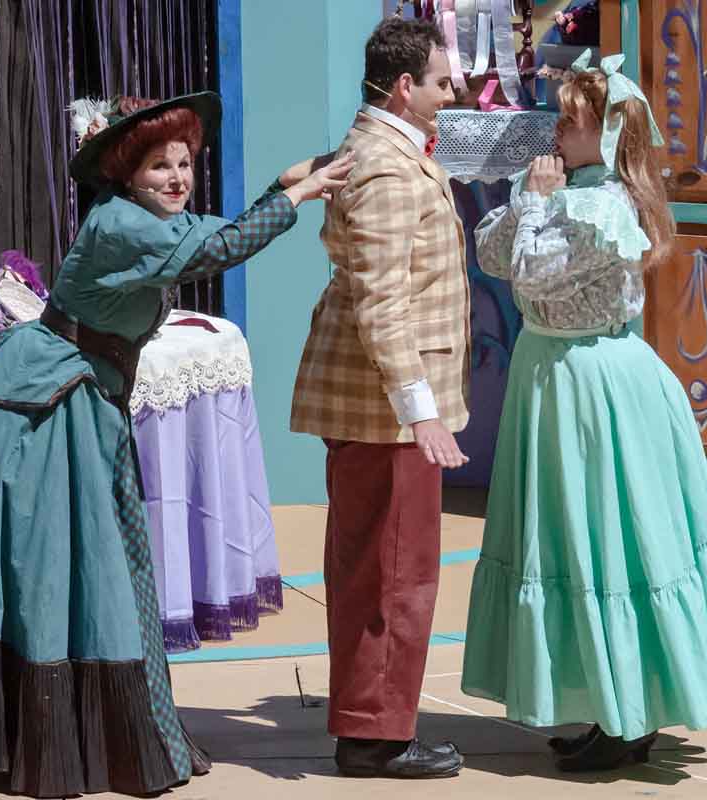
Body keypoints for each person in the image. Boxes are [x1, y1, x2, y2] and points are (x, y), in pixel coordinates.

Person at [0, 90, 353, 798]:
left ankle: (63, 735)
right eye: (159, 165)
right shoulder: (124, 224)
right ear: (128, 175)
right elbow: (216, 250)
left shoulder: (149, 219)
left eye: (184, 163)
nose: (176, 177)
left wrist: (280, 188)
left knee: (93, 571)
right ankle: (42, 741)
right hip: (30, 410)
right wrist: (299, 194)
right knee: (60, 573)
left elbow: (205, 233)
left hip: (73, 399)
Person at [460, 51, 707, 771]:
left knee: (609, 546)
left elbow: (530, 269)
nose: (557, 130)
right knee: (567, 544)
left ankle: (629, 716)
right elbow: (494, 256)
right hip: (554, 381)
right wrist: (530, 198)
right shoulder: (571, 190)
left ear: (610, 134)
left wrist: (533, 201)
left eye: (572, 120)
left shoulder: (606, 206)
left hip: (593, 387)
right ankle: (598, 701)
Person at [288, 17, 469, 779]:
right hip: (385, 411)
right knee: (393, 570)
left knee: (381, 563)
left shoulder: (381, 145)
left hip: (379, 403)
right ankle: (374, 734)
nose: (453, 88)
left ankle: (374, 721)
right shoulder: (388, 167)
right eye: (440, 79)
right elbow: (381, 301)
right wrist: (418, 407)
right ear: (404, 86)